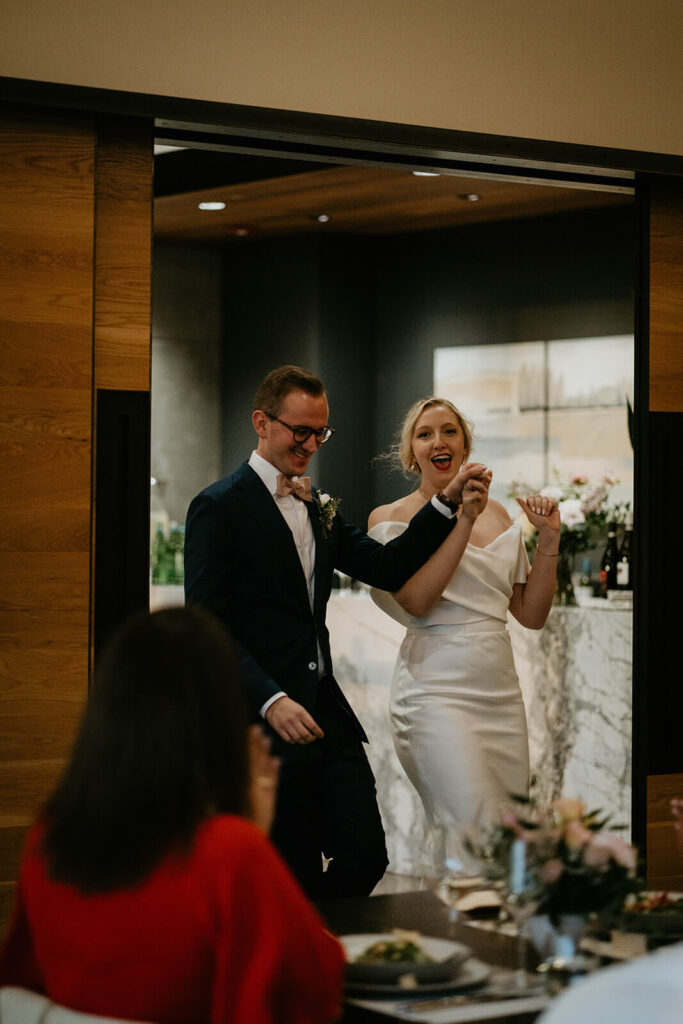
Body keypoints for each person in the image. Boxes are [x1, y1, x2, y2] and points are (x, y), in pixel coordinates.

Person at [184, 365, 482, 899]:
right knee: (288, 871)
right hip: (261, 723)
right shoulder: (217, 507)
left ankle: (314, 941)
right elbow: (206, 626)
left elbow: (388, 567)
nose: (312, 444)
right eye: (301, 431)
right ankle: (308, 962)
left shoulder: (315, 503)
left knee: (366, 856)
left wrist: (445, 504)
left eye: (321, 432)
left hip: (326, 714)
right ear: (261, 422)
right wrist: (271, 699)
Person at [0, 607, 344, 1024]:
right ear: (218, 716)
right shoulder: (230, 853)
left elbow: (19, 984)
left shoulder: (50, 833)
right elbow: (314, 990)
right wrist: (252, 830)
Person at [368, 396, 560, 835]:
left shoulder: (498, 513)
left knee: (506, 834)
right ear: (411, 453)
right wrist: (463, 519)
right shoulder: (392, 517)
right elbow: (418, 602)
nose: (439, 440)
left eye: (449, 431)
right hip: (435, 694)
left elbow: (531, 615)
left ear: (465, 445)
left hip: (500, 696)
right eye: (425, 433)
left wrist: (548, 541)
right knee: (467, 828)